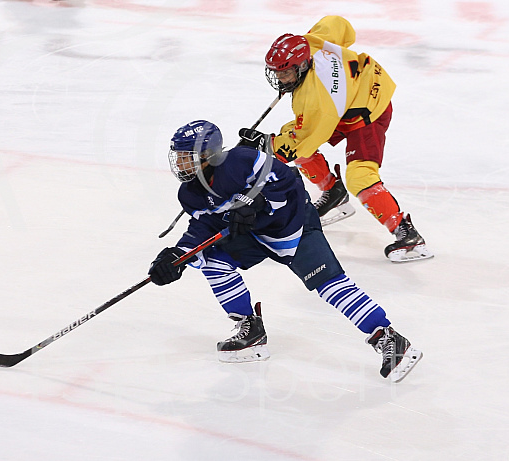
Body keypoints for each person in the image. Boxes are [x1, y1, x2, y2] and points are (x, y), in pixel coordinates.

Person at [148, 120, 422, 382]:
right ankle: (250, 328)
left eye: (187, 156)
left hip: (293, 226)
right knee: (212, 260)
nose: (180, 163)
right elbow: (204, 224)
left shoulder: (243, 160)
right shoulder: (189, 193)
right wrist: (179, 255)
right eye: (179, 156)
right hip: (253, 235)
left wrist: (258, 202)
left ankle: (388, 337)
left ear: (208, 154)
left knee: (329, 285)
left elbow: (289, 179)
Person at [238, 15, 433, 263]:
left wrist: (266, 147)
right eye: (277, 72)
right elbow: (337, 24)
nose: (281, 79)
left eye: (286, 73)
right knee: (293, 134)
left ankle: (407, 235)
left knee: (360, 175)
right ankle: (334, 192)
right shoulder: (312, 43)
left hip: (367, 110)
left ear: (301, 65)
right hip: (348, 98)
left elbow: (303, 141)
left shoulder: (317, 99)